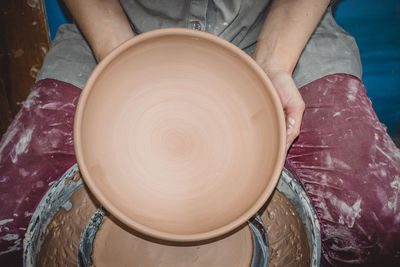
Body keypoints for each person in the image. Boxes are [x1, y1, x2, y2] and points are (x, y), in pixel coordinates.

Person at [0, 0, 399, 266]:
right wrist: (119, 56)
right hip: (115, 29)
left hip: (277, 28)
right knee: (9, 218)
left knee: (376, 217)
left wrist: (274, 64)